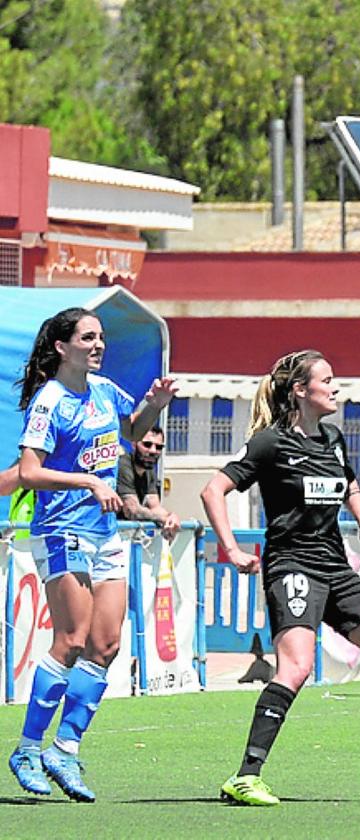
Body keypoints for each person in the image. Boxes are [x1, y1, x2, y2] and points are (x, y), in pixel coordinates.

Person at [201, 350, 360, 805]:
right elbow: (212, 489)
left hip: (336, 567)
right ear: (301, 391)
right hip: (292, 566)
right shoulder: (269, 443)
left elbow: (348, 483)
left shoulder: (333, 438)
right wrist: (231, 548)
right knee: (296, 668)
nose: (336, 388)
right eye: (328, 380)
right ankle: (245, 776)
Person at [8, 307, 175, 803]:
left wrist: (155, 405)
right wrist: (85, 479)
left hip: (103, 532)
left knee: (106, 645)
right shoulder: (50, 400)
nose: (98, 345)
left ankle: (65, 747)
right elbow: (29, 472)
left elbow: (132, 429)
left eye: (101, 337)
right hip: (62, 529)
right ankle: (27, 747)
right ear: (62, 347)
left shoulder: (102, 389)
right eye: (88, 337)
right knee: (72, 638)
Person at [117, 425, 180, 541]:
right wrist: (164, 518)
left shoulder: (149, 470)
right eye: (147, 445)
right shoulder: (123, 465)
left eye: (159, 447)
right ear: (134, 444)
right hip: (99, 533)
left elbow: (155, 507)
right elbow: (132, 510)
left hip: (125, 537)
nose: (153, 451)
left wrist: (171, 516)